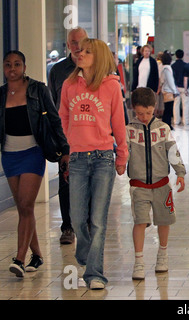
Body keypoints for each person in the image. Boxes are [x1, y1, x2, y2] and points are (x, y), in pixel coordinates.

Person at [59, 38, 128, 290]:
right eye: (80, 51)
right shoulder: (69, 85)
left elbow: (118, 123)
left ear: (98, 58)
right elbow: (63, 115)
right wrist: (72, 140)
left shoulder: (111, 86)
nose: (81, 54)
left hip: (103, 158)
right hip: (77, 158)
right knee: (77, 219)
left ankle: (95, 273)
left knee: (98, 219)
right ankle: (87, 255)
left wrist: (122, 156)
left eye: (88, 52)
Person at [1, 50, 69, 277]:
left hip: (33, 152)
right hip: (9, 156)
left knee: (26, 204)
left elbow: (54, 118)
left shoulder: (38, 89)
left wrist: (65, 150)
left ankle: (19, 259)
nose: (12, 69)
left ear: (24, 67)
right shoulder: (1, 94)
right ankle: (37, 255)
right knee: (23, 208)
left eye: (17, 64)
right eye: (8, 65)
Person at [126, 87, 186, 280]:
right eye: (140, 113)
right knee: (140, 221)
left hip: (162, 185)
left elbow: (173, 151)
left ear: (155, 108)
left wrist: (180, 173)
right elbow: (121, 153)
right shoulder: (128, 131)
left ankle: (163, 253)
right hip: (138, 185)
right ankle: (139, 260)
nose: (144, 117)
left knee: (164, 220)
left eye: (149, 113)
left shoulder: (163, 129)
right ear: (134, 109)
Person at [48, 26, 88, 245]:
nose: (77, 46)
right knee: (66, 180)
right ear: (68, 45)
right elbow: (54, 105)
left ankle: (89, 223)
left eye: (80, 41)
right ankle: (67, 227)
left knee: (90, 178)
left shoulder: (94, 67)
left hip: (90, 133)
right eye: (73, 42)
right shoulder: (58, 71)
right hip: (66, 134)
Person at [160, 51, 178, 130]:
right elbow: (170, 81)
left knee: (167, 108)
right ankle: (167, 124)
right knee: (168, 109)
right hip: (169, 91)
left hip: (165, 90)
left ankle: (166, 123)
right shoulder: (167, 68)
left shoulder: (163, 68)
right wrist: (175, 91)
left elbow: (162, 80)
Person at [171, 49, 189, 127]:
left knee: (176, 104)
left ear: (176, 55)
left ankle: (176, 121)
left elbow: (172, 77)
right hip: (184, 87)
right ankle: (185, 121)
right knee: (185, 104)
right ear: (183, 55)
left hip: (176, 87)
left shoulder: (173, 66)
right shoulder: (186, 65)